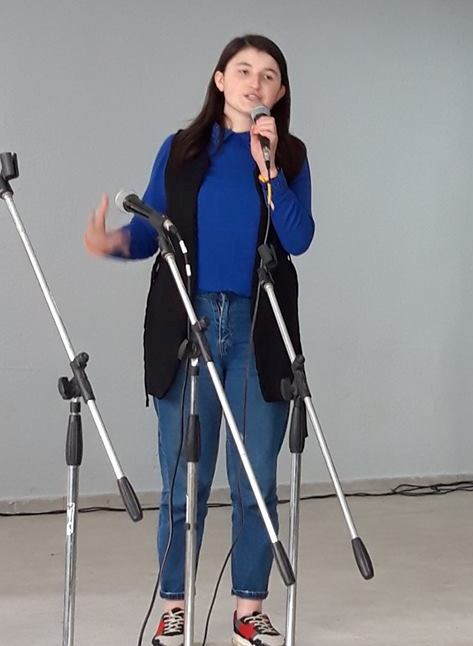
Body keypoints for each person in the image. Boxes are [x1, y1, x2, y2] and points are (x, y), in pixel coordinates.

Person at [84, 34, 314, 646]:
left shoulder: (288, 156)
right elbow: (152, 232)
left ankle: (248, 609)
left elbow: (298, 238)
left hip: (258, 329)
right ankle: (175, 606)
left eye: (268, 75)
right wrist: (112, 242)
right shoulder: (182, 149)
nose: (254, 82)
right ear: (220, 80)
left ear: (279, 93)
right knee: (184, 479)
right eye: (243, 70)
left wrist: (270, 171)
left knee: (255, 478)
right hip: (189, 323)